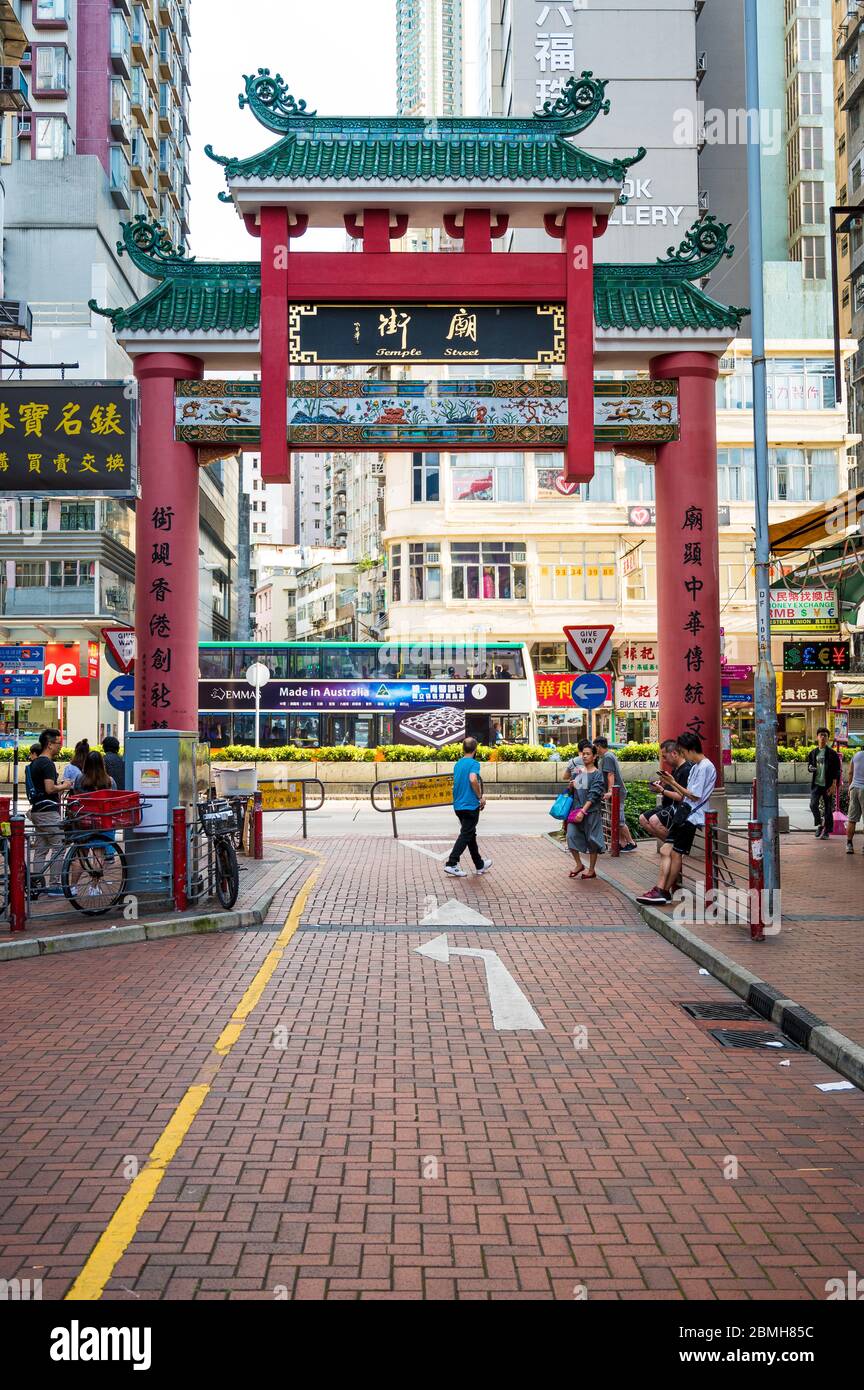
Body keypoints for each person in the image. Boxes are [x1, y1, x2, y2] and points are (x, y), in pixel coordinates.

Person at [636, 732, 717, 906]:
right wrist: (671, 782)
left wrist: (672, 783)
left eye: (683, 751)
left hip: (692, 816)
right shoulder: (697, 766)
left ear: (689, 749)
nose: (682, 755)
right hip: (685, 813)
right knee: (668, 850)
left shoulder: (704, 767)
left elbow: (694, 795)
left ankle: (662, 890)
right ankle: (661, 890)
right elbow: (686, 794)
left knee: (674, 852)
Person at [444, 736, 492, 877]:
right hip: (470, 805)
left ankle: (479, 865)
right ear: (475, 749)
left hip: (458, 805)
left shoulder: (458, 764)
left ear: (463, 749)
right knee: (466, 834)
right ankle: (452, 863)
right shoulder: (474, 764)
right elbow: (472, 779)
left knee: (470, 834)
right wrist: (480, 797)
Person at [28, 728, 65, 895]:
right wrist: (64, 786)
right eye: (59, 743)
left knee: (41, 849)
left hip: (36, 811)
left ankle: (37, 884)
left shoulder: (34, 763)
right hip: (48, 811)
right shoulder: (47, 763)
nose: (60, 747)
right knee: (60, 846)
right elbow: (50, 788)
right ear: (49, 744)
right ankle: (55, 885)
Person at [565, 739, 606, 879]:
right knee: (570, 836)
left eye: (588, 754)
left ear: (594, 757)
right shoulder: (578, 771)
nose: (584, 756)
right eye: (583, 753)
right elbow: (575, 792)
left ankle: (591, 869)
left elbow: (593, 795)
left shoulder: (597, 774)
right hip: (576, 812)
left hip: (591, 813)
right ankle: (579, 864)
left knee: (592, 840)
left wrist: (584, 811)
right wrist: (570, 787)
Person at [639, 738, 692, 843]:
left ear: (674, 753)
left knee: (654, 821)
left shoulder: (686, 770)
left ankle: (675, 847)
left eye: (664, 756)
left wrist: (662, 791)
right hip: (668, 805)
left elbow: (681, 796)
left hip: (679, 807)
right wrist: (662, 786)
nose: (664, 760)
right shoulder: (675, 768)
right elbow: (672, 788)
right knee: (643, 819)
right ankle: (671, 846)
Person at [594, 735, 636, 851]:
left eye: (595, 747)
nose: (594, 750)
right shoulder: (607, 756)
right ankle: (622, 843)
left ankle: (631, 842)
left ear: (599, 746)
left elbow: (610, 775)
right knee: (615, 819)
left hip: (617, 793)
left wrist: (610, 792)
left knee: (619, 820)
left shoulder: (607, 757)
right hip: (615, 792)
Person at [807, 727, 842, 841]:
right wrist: (811, 768)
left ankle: (827, 831)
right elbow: (810, 766)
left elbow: (837, 770)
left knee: (828, 808)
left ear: (827, 738)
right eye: (821, 735)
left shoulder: (832, 753)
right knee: (813, 804)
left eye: (825, 735)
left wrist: (833, 785)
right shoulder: (813, 753)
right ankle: (820, 824)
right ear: (817, 737)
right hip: (816, 784)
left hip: (827, 784)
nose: (823, 737)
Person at [845, 744, 864, 855]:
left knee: (852, 819)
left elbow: (850, 772)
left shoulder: (856, 756)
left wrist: (850, 786)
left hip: (854, 788)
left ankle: (849, 844)